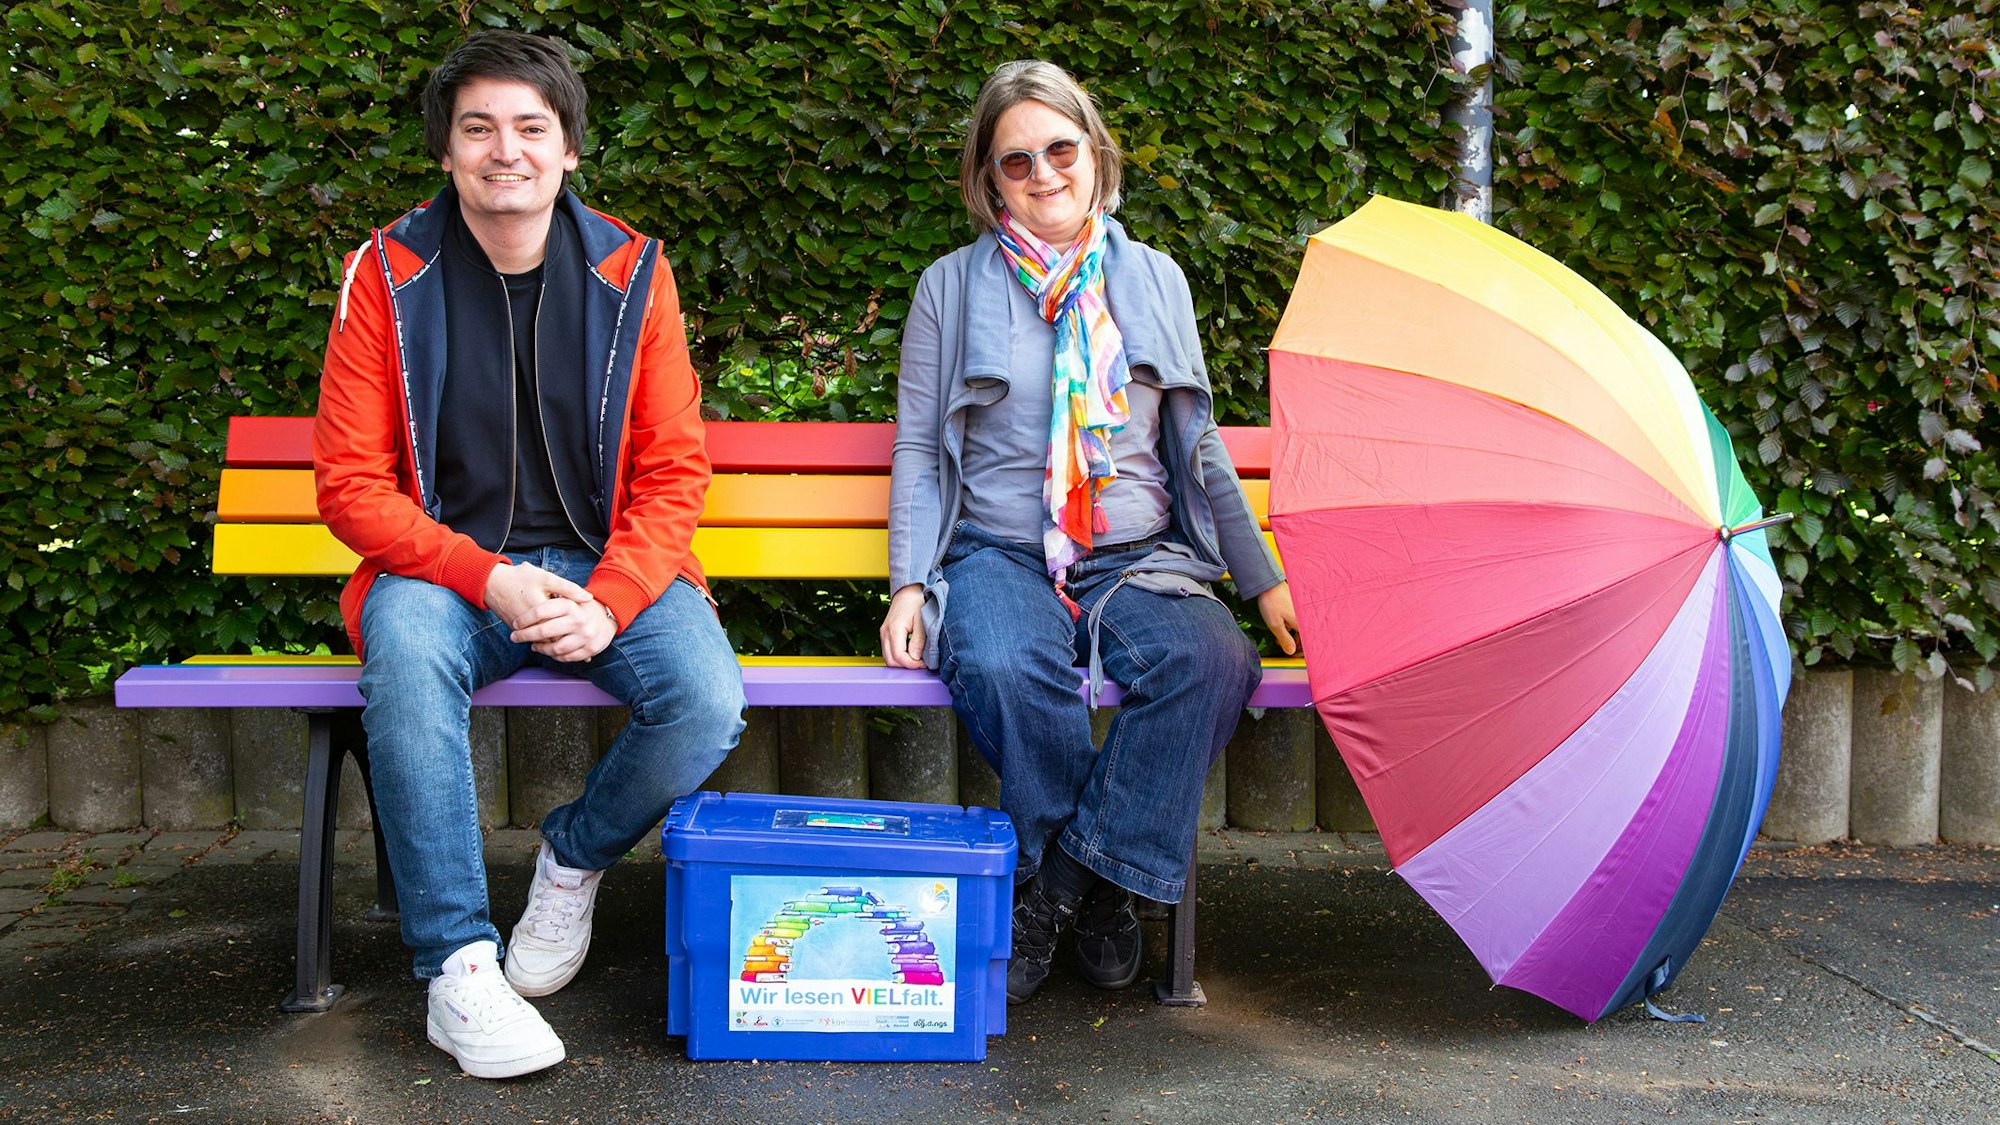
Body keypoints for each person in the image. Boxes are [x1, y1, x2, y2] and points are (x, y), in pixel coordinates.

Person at [313, 30, 745, 1078]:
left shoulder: (634, 271)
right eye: (477, 129)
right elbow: (351, 486)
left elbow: (673, 472)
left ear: (568, 149)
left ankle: (573, 856)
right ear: (446, 151)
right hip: (445, 572)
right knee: (407, 663)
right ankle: (459, 970)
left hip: (602, 567)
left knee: (702, 699)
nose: (504, 149)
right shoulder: (386, 273)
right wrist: (488, 577)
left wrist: (607, 598)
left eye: (529, 127)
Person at [879, 60, 1299, 1004]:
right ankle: (1103, 888)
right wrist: (910, 581)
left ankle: (1068, 882)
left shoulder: (1154, 279)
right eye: (1015, 160)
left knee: (1212, 660)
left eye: (1060, 149)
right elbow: (916, 445)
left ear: (1095, 154)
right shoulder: (950, 288)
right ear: (990, 181)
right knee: (995, 659)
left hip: (1135, 557)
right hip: (998, 550)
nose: (1043, 174)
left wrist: (1260, 577)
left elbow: (1197, 447)